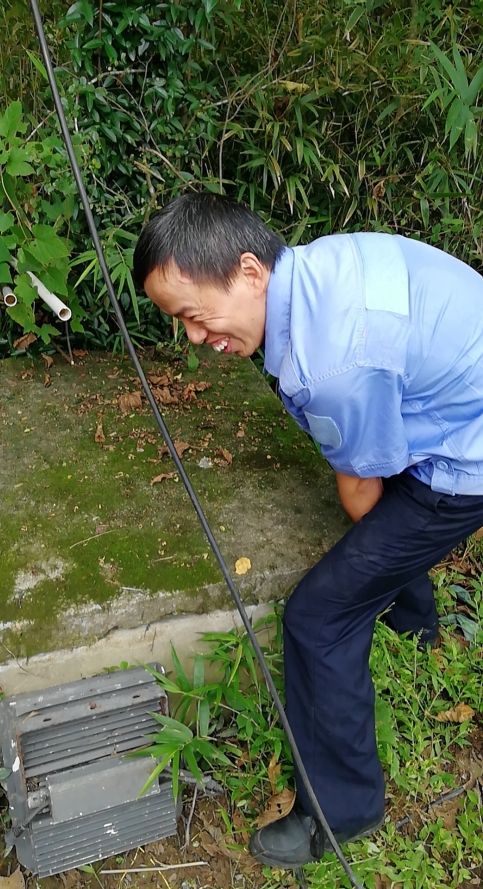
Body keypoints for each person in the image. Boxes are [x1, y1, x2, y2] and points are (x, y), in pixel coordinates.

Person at [133, 192, 483, 868]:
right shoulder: (319, 266)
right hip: (456, 391)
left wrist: (374, 559)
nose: (195, 338)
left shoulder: (329, 367)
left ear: (249, 271)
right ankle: (417, 622)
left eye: (195, 315)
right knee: (381, 549)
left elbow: (361, 494)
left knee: (319, 618)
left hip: (467, 458)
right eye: (179, 322)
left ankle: (342, 809)